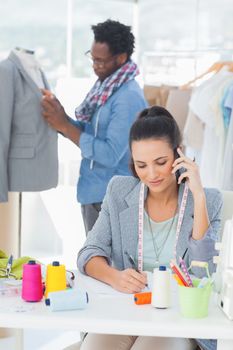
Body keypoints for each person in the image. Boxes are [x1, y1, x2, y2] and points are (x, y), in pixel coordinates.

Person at [77, 106, 222, 350]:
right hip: (130, 310)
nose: (151, 174)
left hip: (181, 317)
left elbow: (205, 271)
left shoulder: (209, 200)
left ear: (179, 155)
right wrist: (115, 277)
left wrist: (197, 195)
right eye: (141, 165)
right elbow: (89, 253)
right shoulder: (119, 191)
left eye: (161, 162)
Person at [41, 19, 147, 234]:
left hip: (111, 198)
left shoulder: (127, 98)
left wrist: (66, 126)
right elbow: (92, 133)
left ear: (121, 58)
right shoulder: (107, 87)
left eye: (101, 61)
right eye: (93, 58)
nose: (95, 66)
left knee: (103, 265)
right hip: (95, 193)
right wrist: (62, 118)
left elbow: (109, 153)